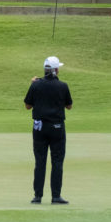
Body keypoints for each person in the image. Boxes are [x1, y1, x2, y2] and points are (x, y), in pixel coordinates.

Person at [25, 56, 73, 205]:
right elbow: (69, 106)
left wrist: (35, 86)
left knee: (40, 162)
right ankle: (56, 196)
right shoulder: (63, 86)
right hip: (57, 128)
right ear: (56, 70)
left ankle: (38, 196)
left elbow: (28, 105)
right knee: (57, 162)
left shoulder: (36, 85)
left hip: (39, 128)